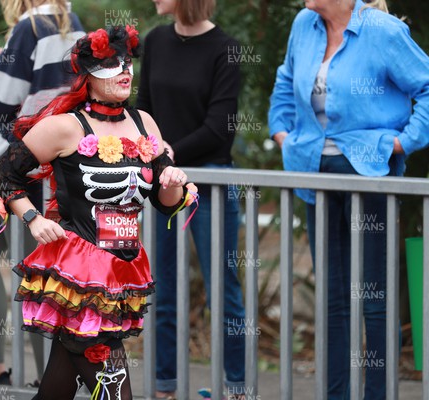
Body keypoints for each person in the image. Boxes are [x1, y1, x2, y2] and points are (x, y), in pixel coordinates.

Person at [0, 25, 196, 400]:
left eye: (128, 64)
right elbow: (3, 174)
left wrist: (174, 180)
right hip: (79, 274)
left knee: (56, 391)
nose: (125, 73)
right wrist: (32, 218)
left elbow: (166, 201)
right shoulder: (64, 128)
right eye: (112, 66)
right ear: (88, 76)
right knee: (117, 395)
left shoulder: (143, 123)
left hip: (122, 270)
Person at [268, 0, 429, 398]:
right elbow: (286, 81)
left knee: (373, 296)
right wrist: (281, 133)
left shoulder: (382, 30)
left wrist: (402, 143)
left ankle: (377, 393)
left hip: (368, 172)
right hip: (312, 170)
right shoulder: (305, 24)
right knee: (333, 296)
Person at [0, 0, 85, 386]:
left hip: (18, 167)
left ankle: (27, 375)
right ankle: (30, 374)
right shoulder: (70, 22)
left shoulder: (30, 26)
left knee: (5, 265)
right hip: (47, 166)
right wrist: (2, 63)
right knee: (20, 267)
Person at [136, 0, 245, 398]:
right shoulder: (156, 41)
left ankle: (236, 387)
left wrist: (168, 153)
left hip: (211, 182)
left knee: (224, 290)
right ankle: (166, 387)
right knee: (162, 287)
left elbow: (220, 130)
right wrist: (158, 158)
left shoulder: (224, 49)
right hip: (163, 182)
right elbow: (142, 108)